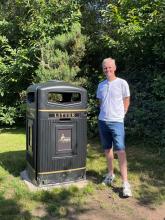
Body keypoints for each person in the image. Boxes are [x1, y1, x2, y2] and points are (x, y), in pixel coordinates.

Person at [96, 57, 132, 197]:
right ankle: (110, 174)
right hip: (103, 121)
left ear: (115, 67)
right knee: (107, 149)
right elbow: (100, 102)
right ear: (103, 69)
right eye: (105, 68)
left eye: (110, 67)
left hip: (117, 121)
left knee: (121, 151)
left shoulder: (122, 83)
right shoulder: (101, 85)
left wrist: (123, 113)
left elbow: (127, 99)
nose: (108, 70)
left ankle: (125, 184)